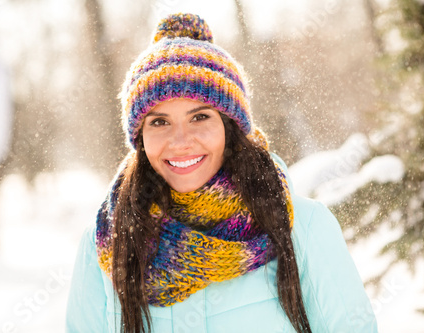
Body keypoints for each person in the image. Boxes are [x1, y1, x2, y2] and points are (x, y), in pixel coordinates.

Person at [66, 13, 378, 333]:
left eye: (199, 117)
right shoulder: (106, 244)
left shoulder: (304, 228)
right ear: (140, 138)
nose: (181, 141)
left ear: (230, 128)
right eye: (159, 122)